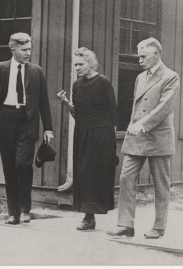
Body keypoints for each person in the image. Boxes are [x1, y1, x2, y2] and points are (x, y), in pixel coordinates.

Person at [107, 37, 180, 239]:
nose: (139, 60)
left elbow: (164, 107)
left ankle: (159, 227)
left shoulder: (171, 77)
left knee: (161, 184)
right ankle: (125, 225)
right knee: (126, 177)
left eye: (143, 56)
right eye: (138, 56)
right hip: (137, 138)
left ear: (156, 54)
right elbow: (137, 107)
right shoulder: (141, 77)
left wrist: (142, 125)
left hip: (158, 138)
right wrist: (134, 125)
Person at [0, 32, 54, 225]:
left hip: (27, 121)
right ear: (12, 49)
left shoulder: (36, 71)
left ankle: (25, 209)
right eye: (24, 50)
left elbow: (44, 102)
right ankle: (13, 212)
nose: (28, 53)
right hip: (5, 119)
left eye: (29, 49)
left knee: (23, 165)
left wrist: (48, 128)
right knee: (9, 167)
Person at [57, 47, 117, 231]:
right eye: (75, 64)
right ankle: (87, 216)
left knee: (95, 173)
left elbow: (113, 114)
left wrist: (110, 142)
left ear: (91, 63)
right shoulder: (77, 85)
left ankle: (91, 215)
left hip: (101, 135)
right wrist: (66, 102)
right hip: (82, 133)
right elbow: (78, 114)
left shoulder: (103, 83)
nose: (77, 68)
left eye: (80, 64)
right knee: (83, 173)